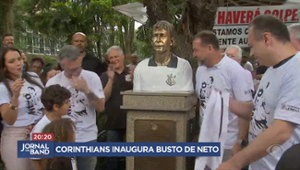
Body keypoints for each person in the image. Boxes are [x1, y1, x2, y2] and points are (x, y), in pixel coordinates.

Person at [217, 14, 300, 170]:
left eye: (253, 46)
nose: (252, 53)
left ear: (267, 39)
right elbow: (259, 111)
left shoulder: (296, 69)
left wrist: (235, 162)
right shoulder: (271, 70)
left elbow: (282, 131)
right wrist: (224, 101)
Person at [193, 31, 253, 163]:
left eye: (196, 50)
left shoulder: (235, 71)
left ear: (210, 48)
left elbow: (246, 110)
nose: (194, 55)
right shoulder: (200, 70)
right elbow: (201, 102)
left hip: (227, 144)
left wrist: (240, 142)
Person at [46, 45, 105, 170]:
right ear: (62, 65)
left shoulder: (92, 77)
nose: (75, 72)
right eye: (71, 69)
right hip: (62, 139)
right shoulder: (53, 82)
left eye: (78, 68)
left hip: (87, 138)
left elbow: (101, 107)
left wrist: (86, 90)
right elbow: (47, 114)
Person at [0, 47, 44, 170]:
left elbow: (45, 102)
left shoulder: (32, 76)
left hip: (40, 130)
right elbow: (9, 120)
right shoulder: (3, 87)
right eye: (11, 61)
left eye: (19, 59)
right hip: (18, 134)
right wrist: (15, 97)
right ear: (4, 67)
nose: (18, 63)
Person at [133, 20, 193, 92]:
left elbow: (186, 98)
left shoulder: (183, 66)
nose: (158, 40)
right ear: (152, 41)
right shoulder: (141, 67)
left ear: (171, 41)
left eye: (162, 35)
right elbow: (136, 98)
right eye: (155, 35)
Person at [100, 46, 134, 169]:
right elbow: (104, 98)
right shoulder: (105, 75)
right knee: (111, 156)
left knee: (133, 155)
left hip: (133, 120)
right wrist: (110, 79)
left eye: (116, 56)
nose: (114, 60)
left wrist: (135, 78)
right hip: (113, 122)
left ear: (123, 56)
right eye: (111, 58)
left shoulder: (132, 72)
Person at [30, 84, 72, 170]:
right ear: (56, 107)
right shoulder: (41, 129)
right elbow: (37, 160)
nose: (70, 105)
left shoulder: (66, 120)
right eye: (66, 102)